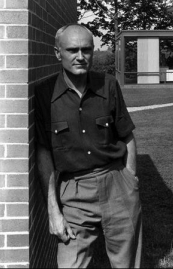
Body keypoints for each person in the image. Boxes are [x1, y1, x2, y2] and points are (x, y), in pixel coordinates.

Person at [35, 23, 142, 268]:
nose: (81, 57)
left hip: (117, 185)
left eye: (87, 50)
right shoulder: (44, 94)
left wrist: (130, 179)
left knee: (126, 263)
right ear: (57, 52)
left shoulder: (108, 85)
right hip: (73, 193)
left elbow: (127, 135)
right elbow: (44, 153)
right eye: (73, 50)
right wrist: (53, 211)